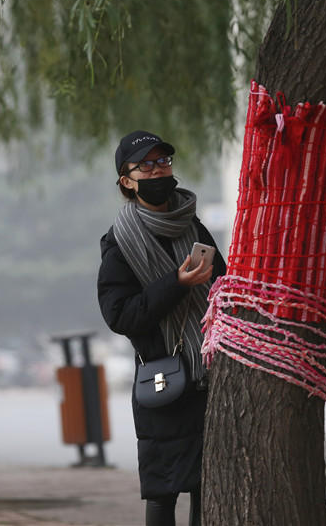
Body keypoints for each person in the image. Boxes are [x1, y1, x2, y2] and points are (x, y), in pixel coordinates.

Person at [97, 130, 226, 526]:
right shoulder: (120, 243)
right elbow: (120, 315)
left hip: (209, 378)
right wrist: (176, 284)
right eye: (147, 165)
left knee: (209, 485)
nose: (158, 171)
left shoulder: (193, 226)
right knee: (164, 491)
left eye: (164, 162)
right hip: (164, 382)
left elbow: (223, 284)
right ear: (127, 180)